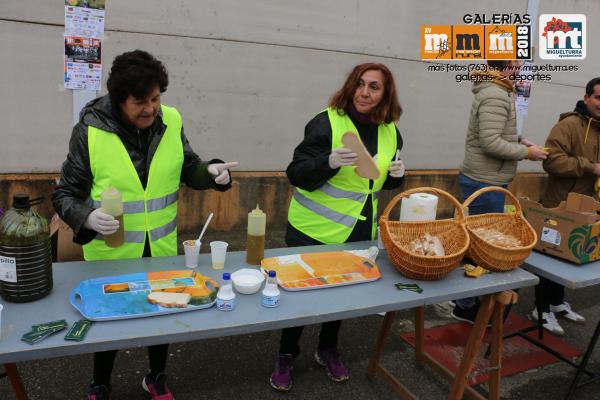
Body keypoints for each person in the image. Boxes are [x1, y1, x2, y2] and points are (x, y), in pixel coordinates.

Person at [52, 50, 238, 400]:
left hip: (162, 247)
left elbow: (188, 166)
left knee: (164, 315)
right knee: (108, 323)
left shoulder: (171, 120)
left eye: (155, 98)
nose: (150, 109)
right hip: (112, 251)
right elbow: (65, 194)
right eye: (140, 101)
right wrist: (86, 216)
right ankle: (100, 383)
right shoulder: (90, 130)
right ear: (119, 99)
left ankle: (155, 377)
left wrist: (210, 173)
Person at [269, 63, 405, 391]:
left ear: (385, 94)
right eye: (360, 84)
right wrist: (327, 162)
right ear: (350, 86)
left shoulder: (391, 131)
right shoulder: (326, 122)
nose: (364, 92)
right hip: (313, 228)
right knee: (300, 297)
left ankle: (327, 348)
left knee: (342, 295)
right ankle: (286, 354)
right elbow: (296, 172)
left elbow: (378, 182)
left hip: (358, 230)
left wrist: (397, 177)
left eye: (374, 87)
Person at [451, 60, 548, 324]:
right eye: (519, 61)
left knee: (474, 240)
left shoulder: (499, 88)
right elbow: (490, 142)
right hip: (484, 180)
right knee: (477, 245)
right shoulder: (496, 92)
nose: (522, 67)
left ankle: (465, 299)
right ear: (509, 62)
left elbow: (496, 132)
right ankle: (464, 305)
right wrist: (528, 153)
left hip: (487, 177)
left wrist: (519, 140)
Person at [530, 78, 600, 335]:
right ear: (587, 97)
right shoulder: (568, 124)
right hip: (558, 205)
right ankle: (541, 309)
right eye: (599, 98)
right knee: (550, 255)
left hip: (587, 209)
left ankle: (557, 303)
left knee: (568, 258)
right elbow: (552, 162)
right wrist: (590, 167)